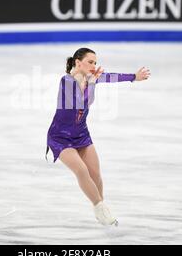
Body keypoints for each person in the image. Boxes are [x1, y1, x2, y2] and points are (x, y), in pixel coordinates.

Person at [45, 47, 151, 226]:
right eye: (90, 62)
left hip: (81, 134)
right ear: (78, 63)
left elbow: (112, 77)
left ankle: (101, 208)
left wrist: (134, 77)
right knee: (81, 170)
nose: (94, 66)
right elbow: (81, 102)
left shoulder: (91, 77)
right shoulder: (66, 81)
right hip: (60, 137)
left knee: (95, 174)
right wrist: (92, 83)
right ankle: (100, 208)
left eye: (95, 62)